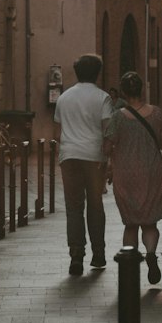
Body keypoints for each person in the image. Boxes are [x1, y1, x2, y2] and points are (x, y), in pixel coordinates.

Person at [52, 53, 113, 276]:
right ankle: (98, 254)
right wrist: (108, 160)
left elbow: (57, 132)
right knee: (96, 205)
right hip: (94, 157)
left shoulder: (64, 98)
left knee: (73, 208)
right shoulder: (103, 98)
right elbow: (108, 131)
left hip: (69, 157)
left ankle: (76, 256)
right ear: (97, 73)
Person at [107, 70, 162, 285]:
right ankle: (151, 254)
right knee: (150, 222)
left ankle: (130, 267)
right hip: (152, 172)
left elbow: (107, 146)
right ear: (141, 89)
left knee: (131, 223)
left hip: (125, 175)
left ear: (124, 93)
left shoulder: (117, 118)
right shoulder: (157, 113)